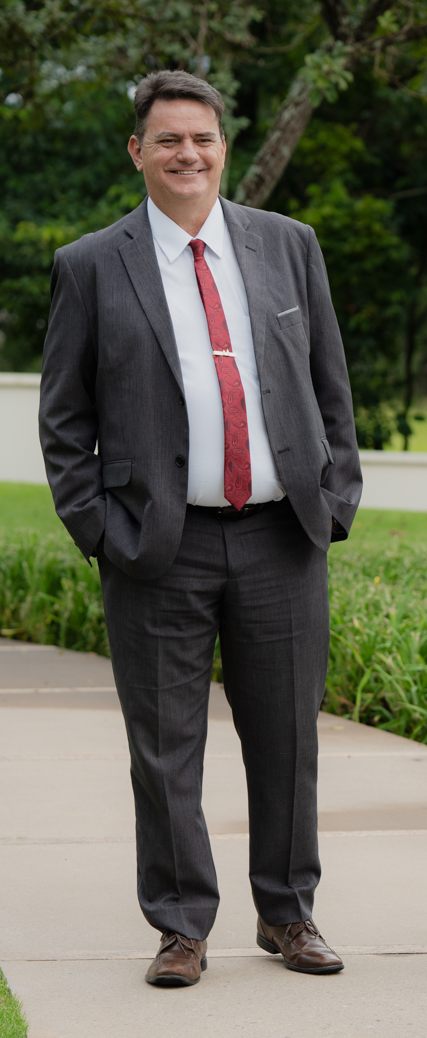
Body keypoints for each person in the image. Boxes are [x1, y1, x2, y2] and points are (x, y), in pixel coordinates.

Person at [39, 69, 361, 989]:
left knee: (288, 739)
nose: (189, 153)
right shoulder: (92, 264)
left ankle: (289, 914)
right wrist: (100, 528)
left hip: (281, 537)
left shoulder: (288, 247)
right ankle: (181, 925)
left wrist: (334, 499)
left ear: (225, 148)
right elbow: (64, 423)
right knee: (164, 746)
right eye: (170, 140)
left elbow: (332, 391)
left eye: (205, 139)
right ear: (138, 152)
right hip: (155, 548)